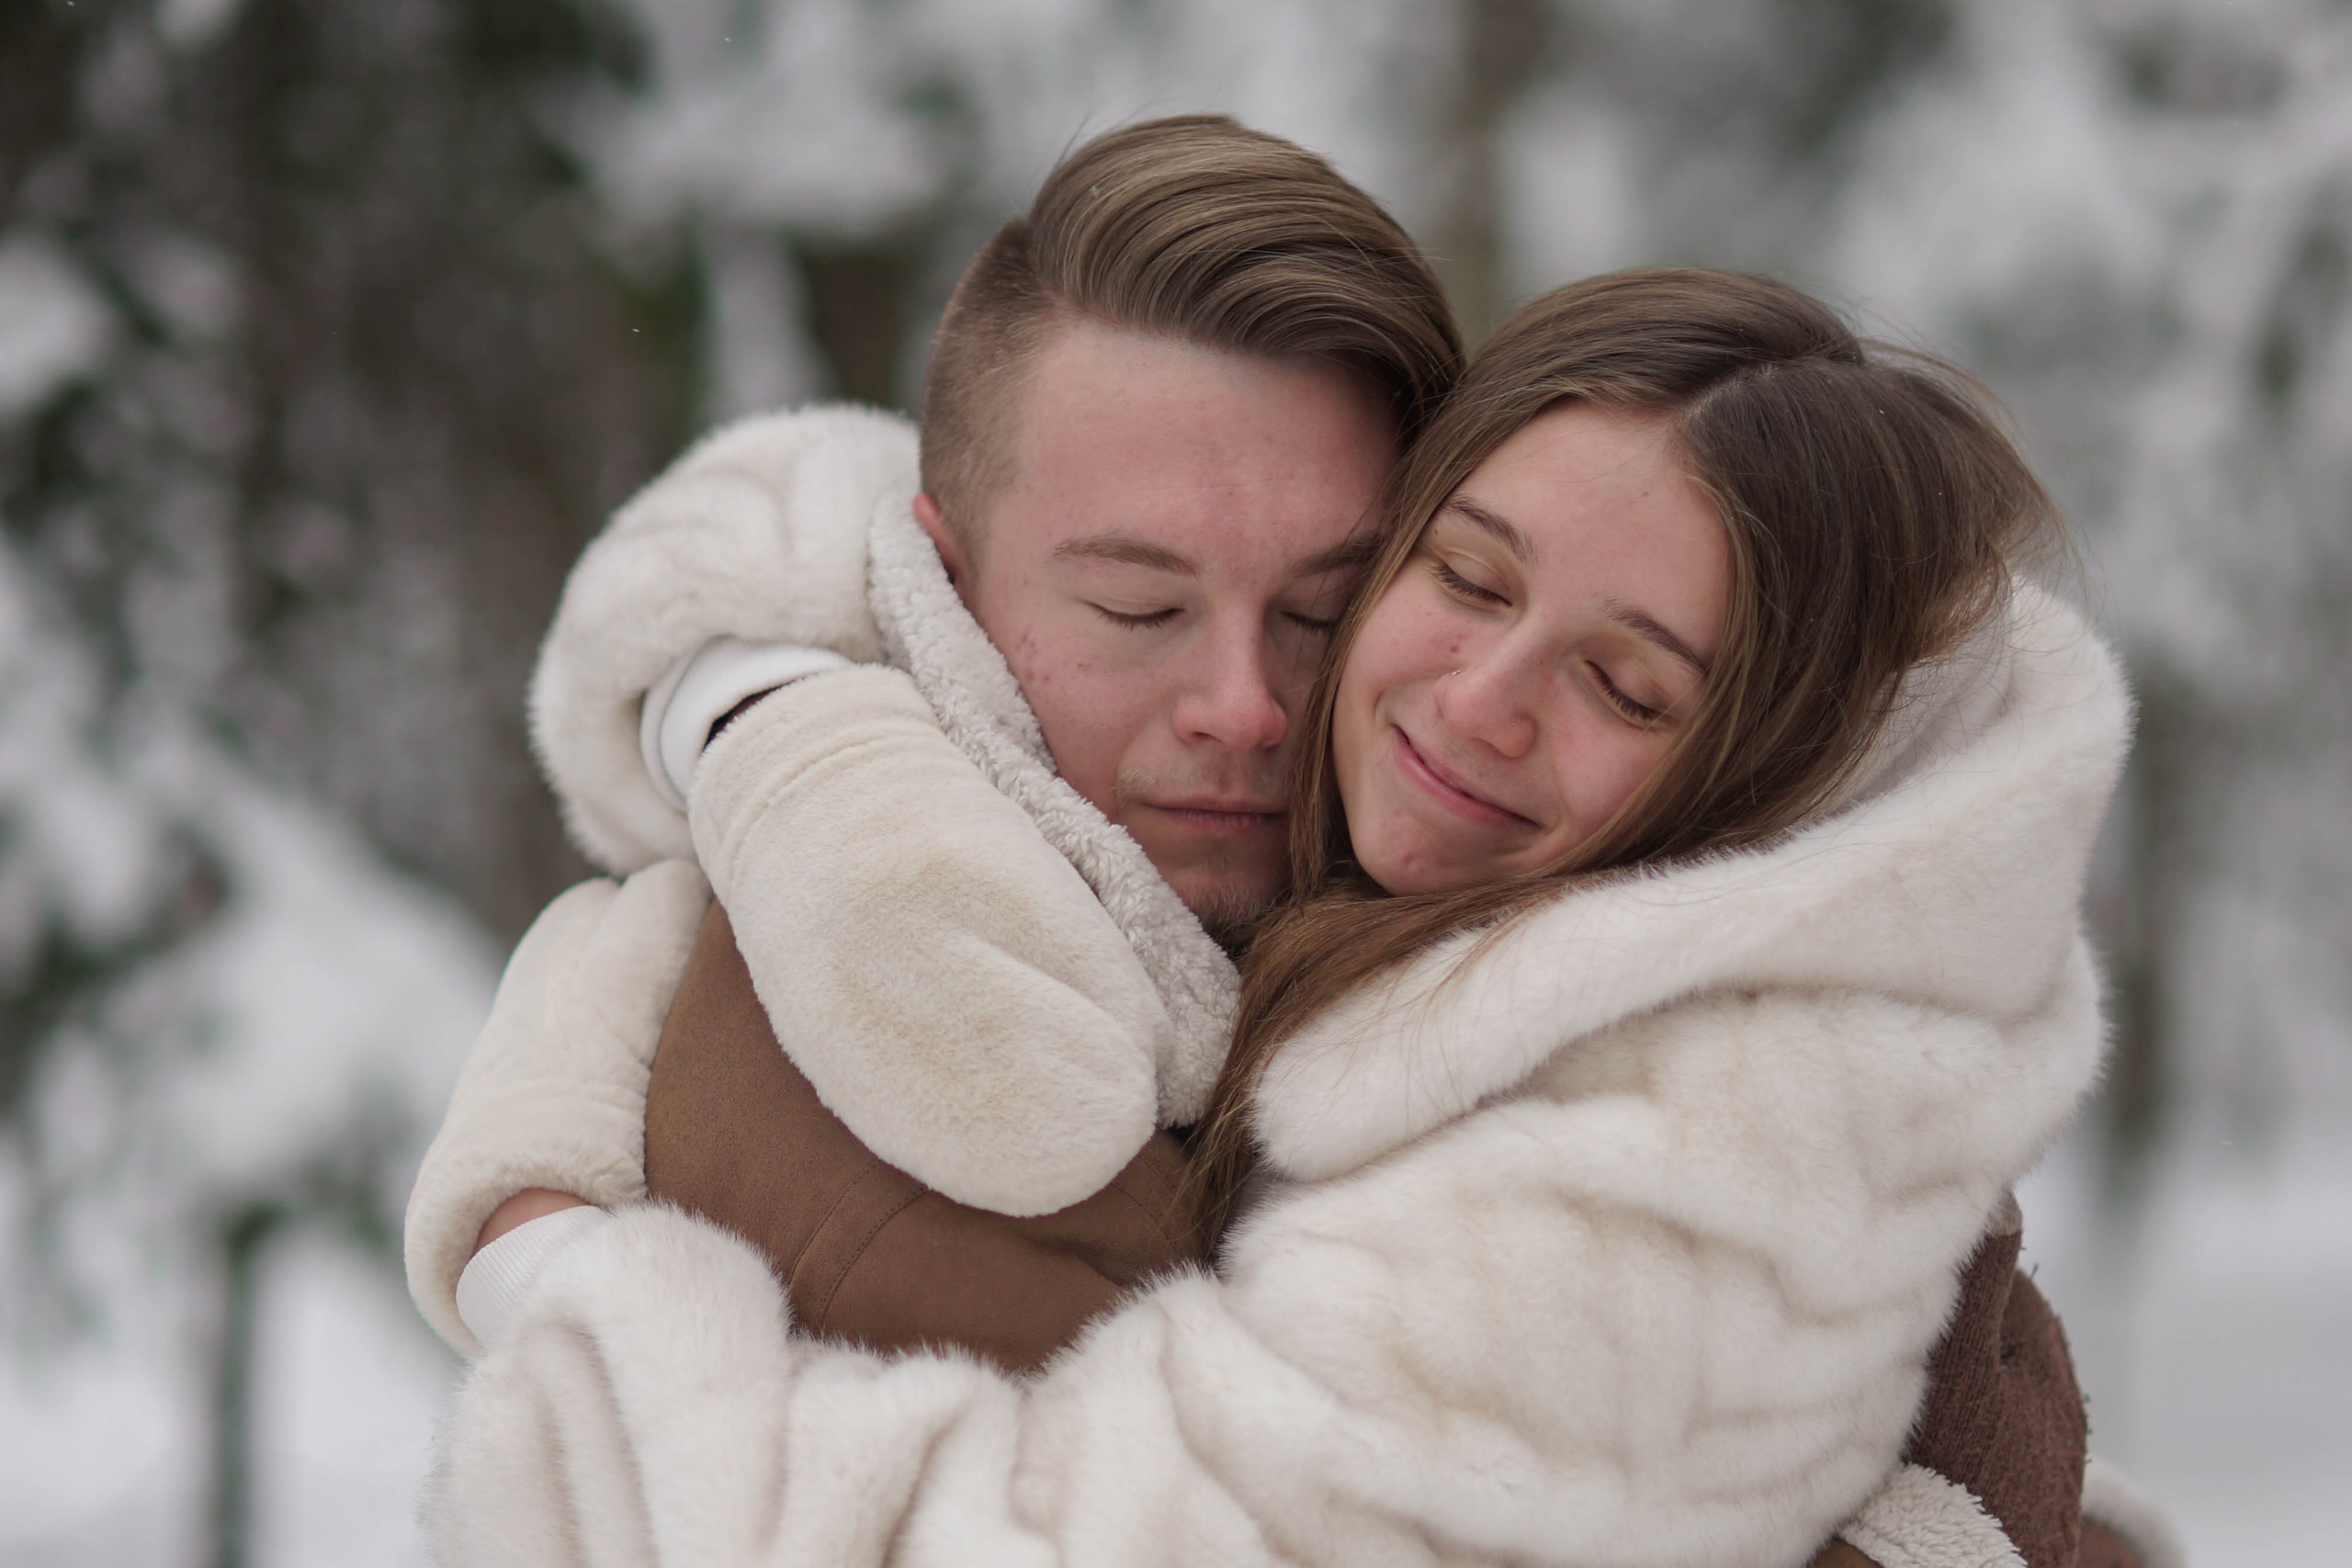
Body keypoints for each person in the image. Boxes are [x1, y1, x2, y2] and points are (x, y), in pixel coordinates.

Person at [414, 253, 2167, 1566]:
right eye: (1465, 573)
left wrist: (599, 1337)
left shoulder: (1675, 1176)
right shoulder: (1220, 924)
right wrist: (752, 710)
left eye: (1627, 687)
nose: (1478, 699)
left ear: (1768, 779)